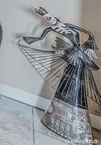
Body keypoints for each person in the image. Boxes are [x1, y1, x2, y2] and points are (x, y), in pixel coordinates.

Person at [19, 8, 100, 143]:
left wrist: (90, 38)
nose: (49, 21)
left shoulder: (69, 30)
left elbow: (82, 32)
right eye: (47, 18)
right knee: (66, 82)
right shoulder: (60, 30)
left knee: (76, 85)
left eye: (49, 18)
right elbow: (47, 31)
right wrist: (37, 37)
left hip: (77, 58)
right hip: (72, 56)